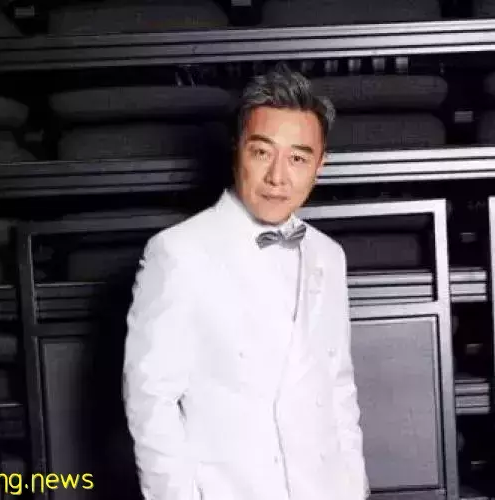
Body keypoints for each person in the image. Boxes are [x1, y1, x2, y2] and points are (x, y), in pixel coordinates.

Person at [122, 63, 369, 500]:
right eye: (261, 152)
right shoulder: (178, 253)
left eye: (298, 158)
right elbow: (149, 401)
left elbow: (338, 388)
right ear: (237, 150)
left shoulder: (329, 255)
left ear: (320, 165)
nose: (278, 177)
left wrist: (354, 488)